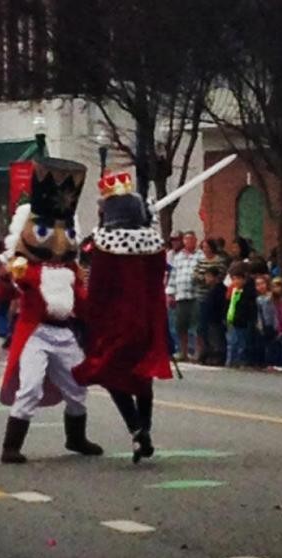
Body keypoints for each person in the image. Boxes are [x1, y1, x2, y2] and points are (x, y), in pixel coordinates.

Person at [0, 157, 103, 464]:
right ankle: (11, 446)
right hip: (36, 333)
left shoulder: (71, 270)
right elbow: (6, 291)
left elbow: (83, 304)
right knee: (29, 388)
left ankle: (76, 437)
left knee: (78, 386)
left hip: (64, 333)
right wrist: (10, 275)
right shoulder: (26, 269)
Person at [73, 170, 172, 463]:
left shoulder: (104, 246)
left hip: (116, 322)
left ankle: (136, 428)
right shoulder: (155, 245)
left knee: (111, 373)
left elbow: (98, 290)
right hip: (148, 319)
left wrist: (86, 315)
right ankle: (145, 428)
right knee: (143, 376)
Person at [165, 231, 202, 361]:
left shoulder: (200, 256)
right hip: (181, 295)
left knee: (197, 326)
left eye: (191, 239)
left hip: (196, 295)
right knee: (181, 326)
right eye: (186, 239)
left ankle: (197, 352)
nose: (188, 242)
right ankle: (183, 352)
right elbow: (173, 275)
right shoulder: (178, 257)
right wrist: (170, 293)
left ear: (195, 241)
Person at [193, 239, 227, 362]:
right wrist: (204, 279)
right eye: (203, 247)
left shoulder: (219, 261)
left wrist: (211, 280)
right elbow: (195, 275)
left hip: (214, 303)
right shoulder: (201, 261)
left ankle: (216, 354)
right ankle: (205, 352)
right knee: (202, 328)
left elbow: (221, 274)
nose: (205, 249)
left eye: (207, 247)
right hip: (202, 295)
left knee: (214, 331)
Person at [225, 264, 254, 367]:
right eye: (234, 279)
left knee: (241, 342)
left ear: (244, 280)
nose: (236, 281)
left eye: (238, 279)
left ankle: (240, 360)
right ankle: (230, 360)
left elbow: (246, 306)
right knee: (232, 341)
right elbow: (228, 303)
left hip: (242, 321)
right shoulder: (233, 291)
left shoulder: (246, 292)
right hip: (231, 318)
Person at [200, 266, 227, 365]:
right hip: (209, 319)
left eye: (208, 276)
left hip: (216, 319)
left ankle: (218, 358)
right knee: (209, 338)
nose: (206, 279)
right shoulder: (211, 290)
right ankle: (209, 356)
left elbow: (220, 305)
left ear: (215, 277)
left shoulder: (220, 290)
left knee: (216, 339)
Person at [255, 274, 276, 368]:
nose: (260, 286)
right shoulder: (258, 299)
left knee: (273, 343)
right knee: (266, 343)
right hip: (265, 323)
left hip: (274, 322)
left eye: (262, 283)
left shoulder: (272, 296)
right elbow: (259, 313)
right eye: (258, 284)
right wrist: (259, 324)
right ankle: (267, 362)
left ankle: (274, 362)